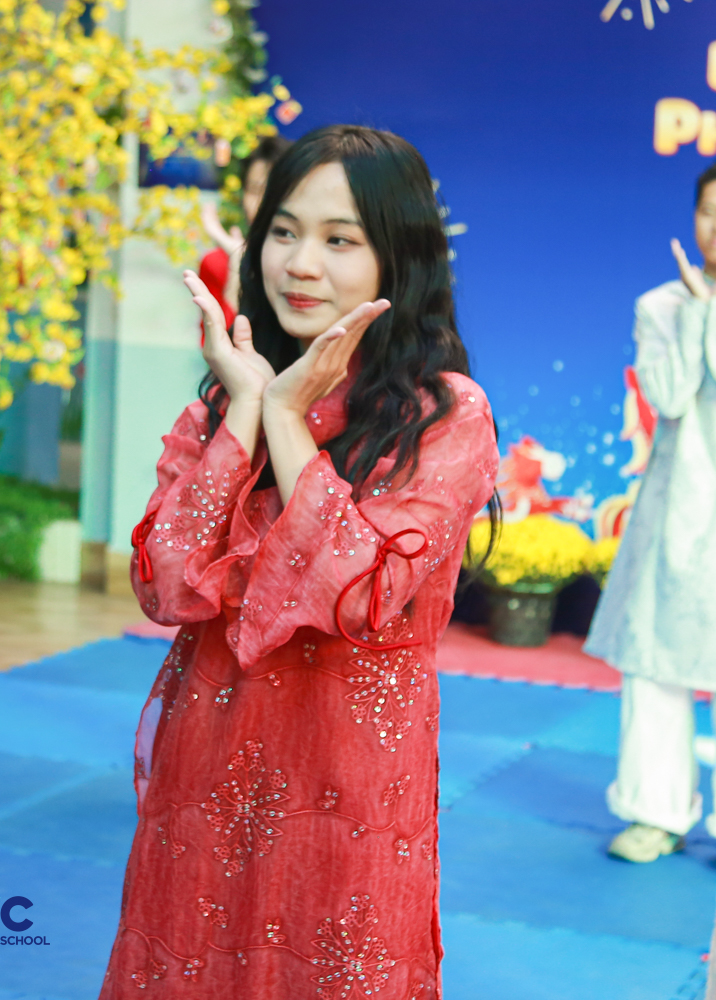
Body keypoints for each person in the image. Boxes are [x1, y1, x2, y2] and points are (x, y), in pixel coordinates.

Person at [101, 125, 499, 998]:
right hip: (205, 769)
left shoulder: (446, 416)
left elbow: (359, 592)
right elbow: (165, 583)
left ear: (398, 257)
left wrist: (286, 423)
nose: (300, 264)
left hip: (348, 790)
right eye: (283, 231)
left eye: (338, 239)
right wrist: (247, 410)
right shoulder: (223, 405)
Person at [585, 162, 716, 863]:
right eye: (709, 212)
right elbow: (668, 396)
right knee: (656, 664)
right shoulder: (660, 304)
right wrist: (695, 311)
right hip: (680, 508)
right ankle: (653, 812)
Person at [198, 135, 291, 338]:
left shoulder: (307, 264)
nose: (263, 203)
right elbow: (215, 349)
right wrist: (237, 270)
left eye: (274, 191)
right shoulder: (216, 264)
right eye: (255, 190)